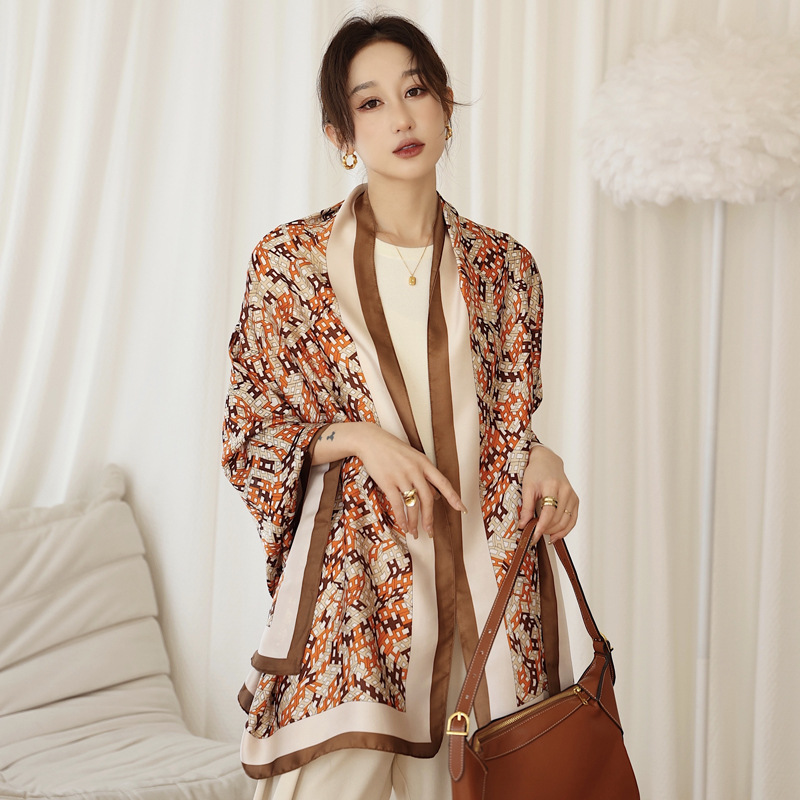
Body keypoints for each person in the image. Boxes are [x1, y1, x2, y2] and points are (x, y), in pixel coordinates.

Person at [222, 13, 579, 800]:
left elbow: (508, 424)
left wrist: (542, 459)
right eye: (371, 102)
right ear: (342, 134)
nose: (401, 117)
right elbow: (250, 433)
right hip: (358, 597)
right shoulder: (292, 265)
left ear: (446, 104)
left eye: (414, 91)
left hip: (484, 596)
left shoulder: (506, 269)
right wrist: (357, 437)